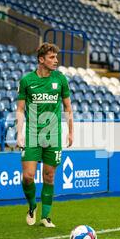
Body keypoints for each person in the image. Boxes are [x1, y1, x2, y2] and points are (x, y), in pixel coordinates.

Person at [16, 42, 74, 228]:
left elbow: (68, 107)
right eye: (51, 57)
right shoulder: (26, 81)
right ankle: (32, 205)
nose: (56, 61)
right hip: (32, 134)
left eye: (56, 57)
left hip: (53, 135)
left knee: (49, 176)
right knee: (28, 176)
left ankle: (46, 216)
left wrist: (71, 132)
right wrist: (19, 133)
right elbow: (19, 110)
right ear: (41, 59)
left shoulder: (60, 79)